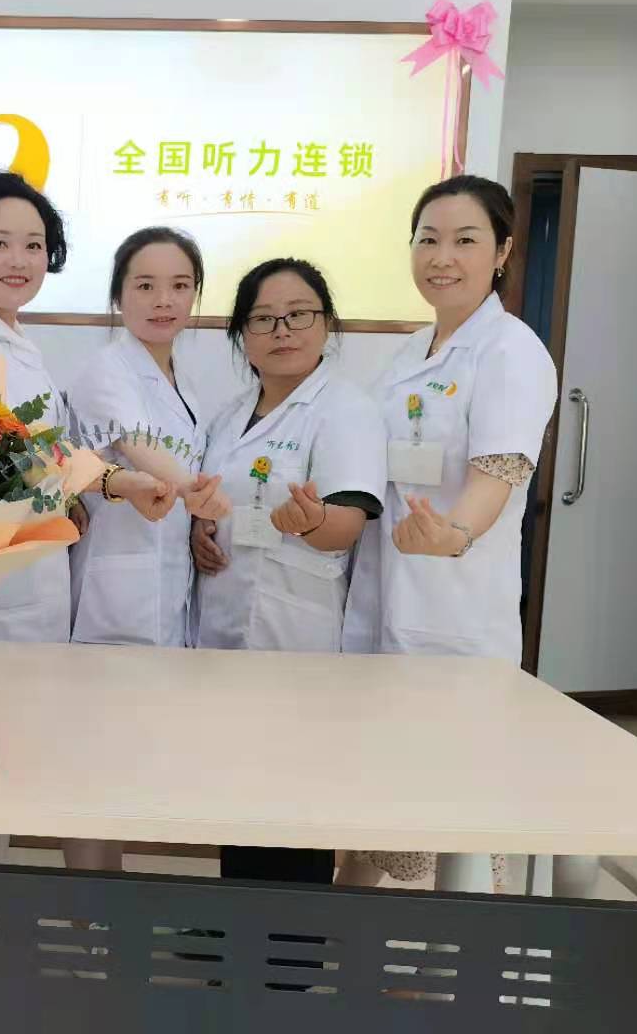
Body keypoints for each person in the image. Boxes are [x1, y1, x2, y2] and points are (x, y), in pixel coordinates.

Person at [0, 170, 185, 868]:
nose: (20, 260)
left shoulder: (12, 338)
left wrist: (112, 483)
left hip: (24, 587)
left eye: (34, 245)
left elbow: (40, 456)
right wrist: (108, 481)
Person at [338, 174, 558, 889]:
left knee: (451, 812)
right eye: (428, 239)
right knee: (375, 810)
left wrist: (455, 534)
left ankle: (455, 955)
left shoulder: (511, 351)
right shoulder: (409, 354)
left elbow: (498, 472)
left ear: (503, 252)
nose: (442, 257)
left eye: (465, 240)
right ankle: (347, 943)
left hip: (455, 613)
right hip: (387, 602)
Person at [190, 257, 385, 886]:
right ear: (242, 336)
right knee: (233, 795)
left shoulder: (345, 410)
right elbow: (214, 500)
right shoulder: (229, 415)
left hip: (297, 632)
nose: (283, 330)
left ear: (326, 324)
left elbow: (347, 524)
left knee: (293, 803)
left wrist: (310, 521)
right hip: (225, 628)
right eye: (264, 319)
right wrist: (199, 530)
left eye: (299, 315)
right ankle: (231, 927)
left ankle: (293, 940)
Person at [68, 227, 227, 649]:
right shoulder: (106, 369)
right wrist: (195, 491)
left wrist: (199, 513)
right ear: (118, 296)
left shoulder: (185, 383)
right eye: (145, 286)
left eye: (180, 286)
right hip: (115, 585)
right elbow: (136, 443)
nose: (164, 300)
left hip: (169, 581)